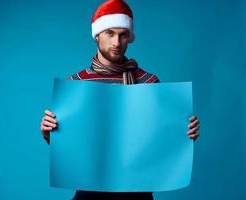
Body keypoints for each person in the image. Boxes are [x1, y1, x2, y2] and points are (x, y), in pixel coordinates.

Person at [40, 0, 200, 199]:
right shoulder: (75, 85)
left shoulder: (149, 82)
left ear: (129, 38)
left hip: (137, 191)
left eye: (123, 35)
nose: (116, 42)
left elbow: (160, 140)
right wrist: (50, 134)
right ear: (97, 35)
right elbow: (72, 147)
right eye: (110, 33)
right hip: (90, 191)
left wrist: (185, 133)